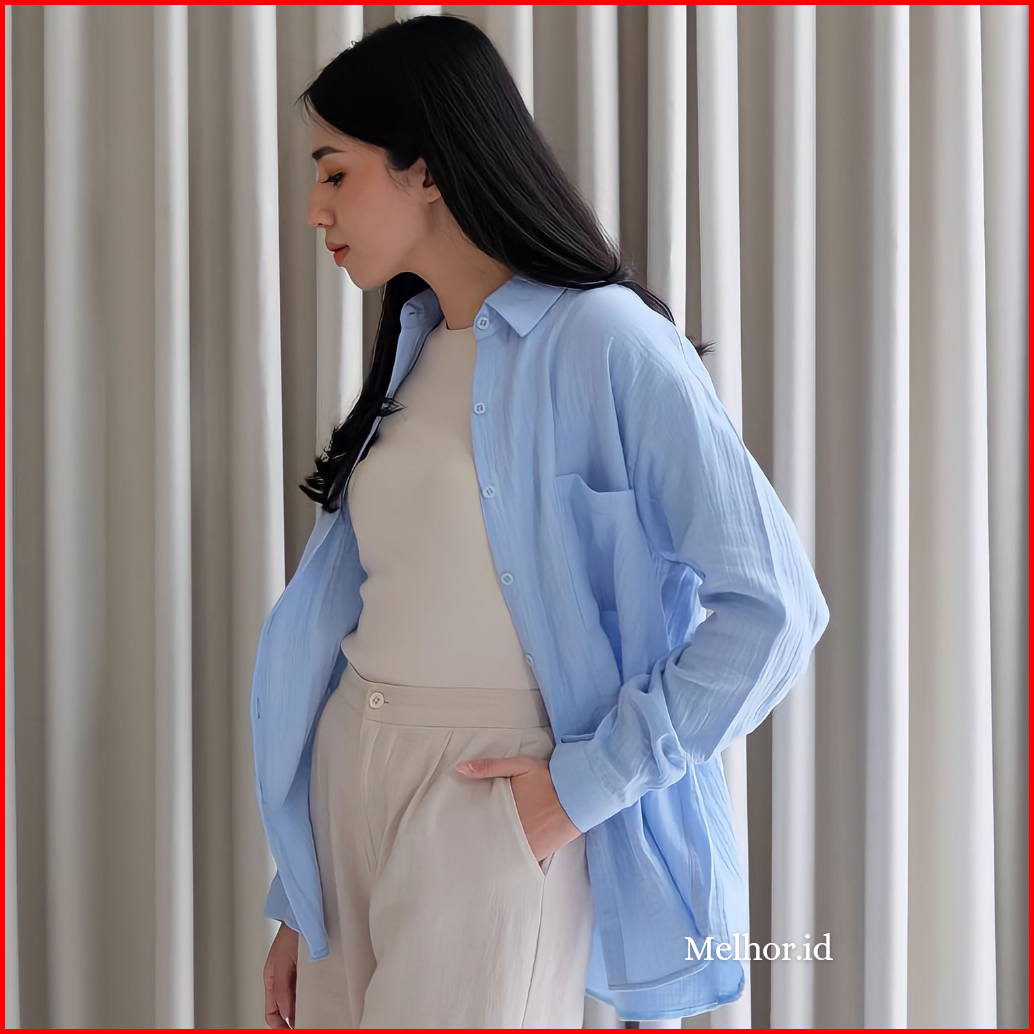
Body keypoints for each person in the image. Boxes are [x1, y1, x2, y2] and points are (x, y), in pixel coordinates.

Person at [252, 13, 829, 1030]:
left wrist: (582, 787)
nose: (314, 208)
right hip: (349, 779)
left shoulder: (606, 339)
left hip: (490, 792)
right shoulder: (415, 344)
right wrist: (296, 892)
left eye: (335, 172)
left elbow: (774, 608)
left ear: (425, 169)